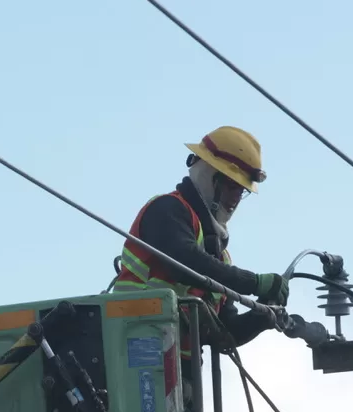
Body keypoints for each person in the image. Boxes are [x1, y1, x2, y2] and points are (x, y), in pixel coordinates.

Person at [107, 126, 289, 392]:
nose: (237, 198)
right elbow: (187, 263)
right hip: (136, 355)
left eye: (242, 191)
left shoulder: (218, 256)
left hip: (181, 374)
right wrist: (254, 283)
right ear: (210, 176)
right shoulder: (167, 210)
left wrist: (265, 314)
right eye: (233, 186)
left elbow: (225, 333)